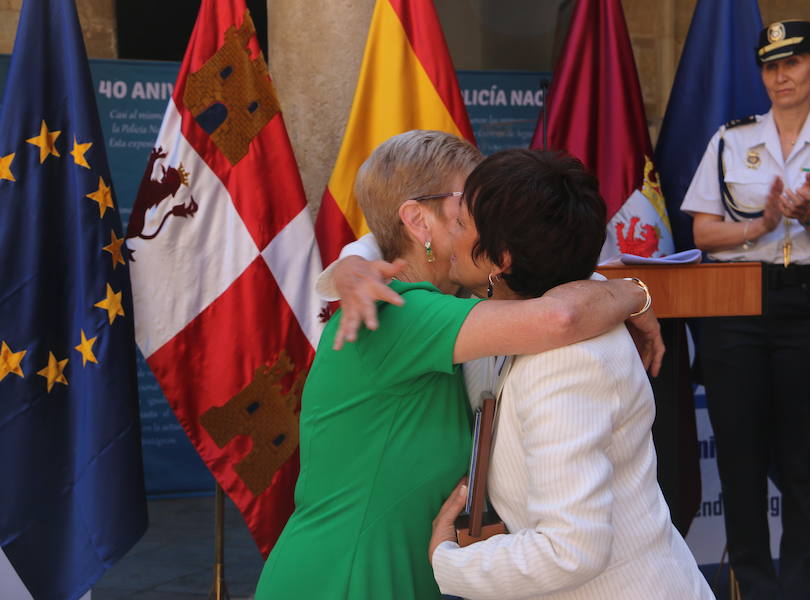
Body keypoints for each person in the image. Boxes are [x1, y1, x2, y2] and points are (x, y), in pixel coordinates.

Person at [254, 131, 659, 600]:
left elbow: (536, 266)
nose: (487, 220)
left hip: (402, 571)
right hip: (347, 576)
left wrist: (353, 258)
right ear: (419, 220)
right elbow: (561, 315)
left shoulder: (456, 301)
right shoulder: (401, 314)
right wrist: (633, 292)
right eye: (467, 207)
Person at [426, 149, 713, 599]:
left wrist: (449, 562)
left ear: (500, 259)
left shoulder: (566, 364)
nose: (448, 231)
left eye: (461, 223)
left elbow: (570, 549)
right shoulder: (557, 301)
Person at [680, 21, 810, 600]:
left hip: (808, 302)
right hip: (736, 300)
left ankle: (797, 591)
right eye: (770, 66)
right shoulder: (730, 139)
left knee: (803, 463)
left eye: (793, 63)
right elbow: (701, 232)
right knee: (739, 459)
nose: (781, 76)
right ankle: (757, 590)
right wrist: (762, 226)